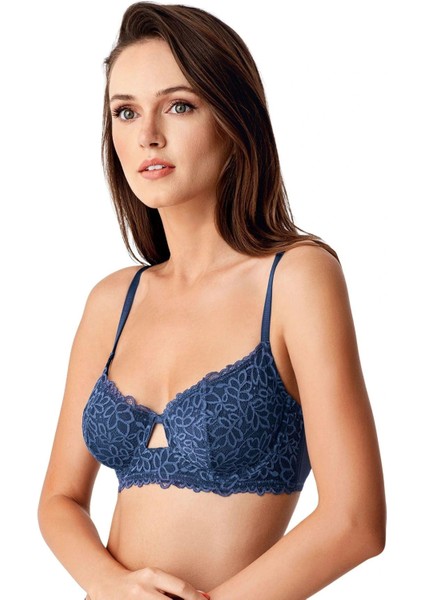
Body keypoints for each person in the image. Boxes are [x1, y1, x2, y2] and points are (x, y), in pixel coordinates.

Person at [37, 2, 386, 599]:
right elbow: (59, 499)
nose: (147, 134)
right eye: (125, 111)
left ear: (233, 119)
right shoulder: (113, 301)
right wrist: (109, 584)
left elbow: (355, 524)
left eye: (178, 105)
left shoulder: (296, 279)